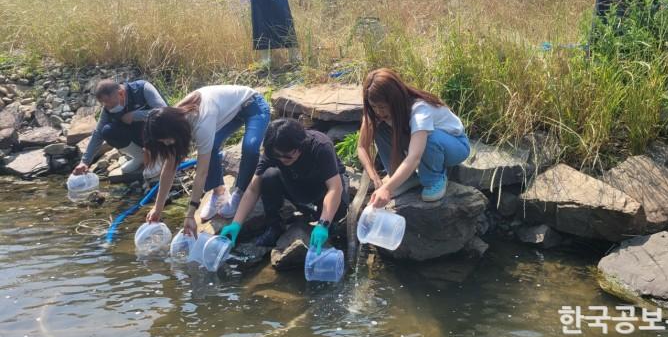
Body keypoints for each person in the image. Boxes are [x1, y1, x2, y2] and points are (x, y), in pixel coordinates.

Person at [143, 85, 271, 237]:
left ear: (174, 132)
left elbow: (201, 172)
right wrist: (158, 208)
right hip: (229, 112)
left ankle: (239, 192)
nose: (165, 144)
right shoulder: (171, 119)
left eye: (165, 140)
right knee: (213, 144)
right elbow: (169, 167)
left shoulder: (202, 120)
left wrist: (190, 213)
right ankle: (219, 191)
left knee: (250, 147)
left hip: (252, 104)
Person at [220, 118, 349, 252]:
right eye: (278, 156)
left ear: (299, 147)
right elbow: (253, 189)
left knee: (337, 210)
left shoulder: (320, 145)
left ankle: (329, 227)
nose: (282, 159)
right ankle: (275, 227)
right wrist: (236, 223)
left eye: (287, 156)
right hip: (298, 185)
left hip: (325, 187)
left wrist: (324, 223)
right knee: (268, 176)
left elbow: (335, 188)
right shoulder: (274, 150)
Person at [357, 68, 470, 208]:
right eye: (374, 107)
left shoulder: (419, 110)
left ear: (395, 100)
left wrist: (387, 188)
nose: (379, 112)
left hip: (455, 146)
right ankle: (405, 179)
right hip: (419, 144)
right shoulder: (375, 114)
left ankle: (434, 179)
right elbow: (362, 147)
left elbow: (414, 157)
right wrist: (374, 177)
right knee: (379, 129)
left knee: (430, 137)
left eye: (383, 107)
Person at [72, 79, 167, 178]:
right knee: (108, 131)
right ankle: (140, 157)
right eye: (105, 104)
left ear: (121, 93)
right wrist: (85, 162)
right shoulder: (108, 108)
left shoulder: (142, 88)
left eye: (110, 104)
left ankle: (159, 155)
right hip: (139, 135)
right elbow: (98, 133)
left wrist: (135, 115)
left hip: (159, 133)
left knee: (158, 121)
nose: (109, 108)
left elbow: (164, 111)